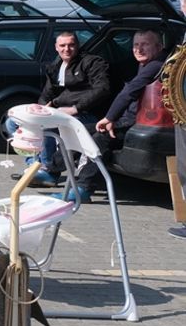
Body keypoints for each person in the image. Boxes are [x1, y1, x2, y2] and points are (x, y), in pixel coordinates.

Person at [65, 30, 166, 203]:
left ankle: (83, 189)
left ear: (159, 47)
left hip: (135, 123)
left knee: (101, 137)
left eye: (145, 44)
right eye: (136, 45)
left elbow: (129, 91)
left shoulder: (155, 66)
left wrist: (109, 118)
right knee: (79, 130)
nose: (139, 49)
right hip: (127, 120)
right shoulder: (145, 64)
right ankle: (53, 170)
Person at [25, 31, 110, 185]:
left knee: (47, 127)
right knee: (17, 123)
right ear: (56, 47)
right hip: (61, 111)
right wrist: (41, 108)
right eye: (62, 45)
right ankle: (37, 162)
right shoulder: (57, 65)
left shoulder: (91, 62)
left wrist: (75, 108)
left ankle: (49, 172)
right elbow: (47, 93)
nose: (67, 49)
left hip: (86, 114)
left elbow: (102, 89)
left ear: (77, 46)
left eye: (71, 45)